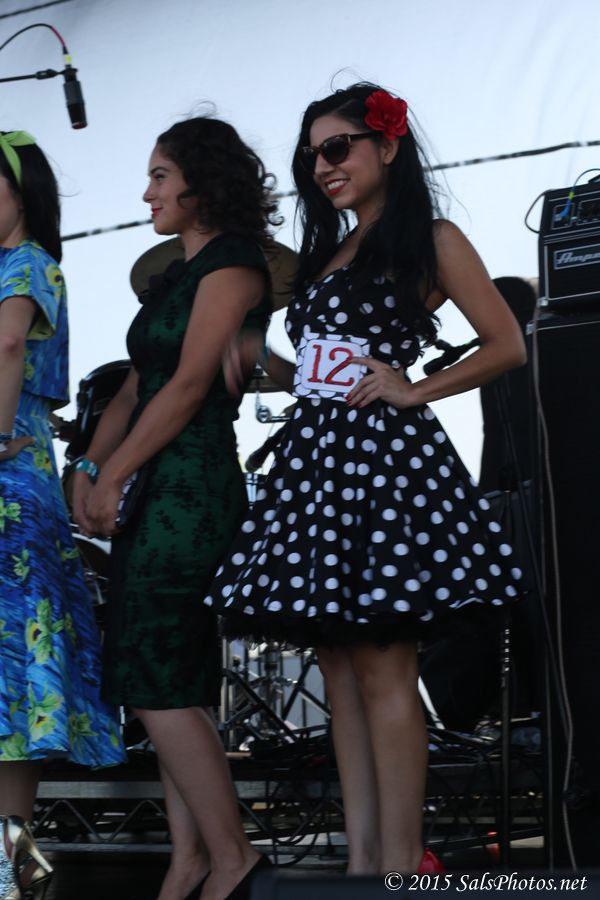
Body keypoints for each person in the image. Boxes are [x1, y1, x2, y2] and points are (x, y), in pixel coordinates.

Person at [204, 83, 527, 876]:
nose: (322, 166)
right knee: (341, 669)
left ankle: (400, 864)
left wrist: (415, 390)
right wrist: (265, 364)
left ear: (387, 146)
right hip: (318, 468)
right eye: (311, 155)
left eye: (337, 147)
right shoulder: (329, 252)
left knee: (384, 666)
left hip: (382, 468)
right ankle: (363, 864)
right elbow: (325, 373)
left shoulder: (432, 238)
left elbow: (506, 342)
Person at [72, 116, 277, 900]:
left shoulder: (235, 263)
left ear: (200, 181)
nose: (147, 193)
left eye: (160, 175)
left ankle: (233, 858)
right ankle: (188, 861)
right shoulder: (175, 275)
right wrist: (89, 465)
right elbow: (134, 386)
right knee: (170, 678)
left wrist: (115, 474)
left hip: (190, 485)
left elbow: (191, 384)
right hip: (150, 483)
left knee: (155, 674)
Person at [0, 131, 126, 899]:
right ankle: (14, 863)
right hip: (23, 478)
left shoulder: (25, 264)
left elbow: (9, 341)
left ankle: (11, 870)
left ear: (22, 193)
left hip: (9, 485)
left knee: (11, 671)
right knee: (11, 683)